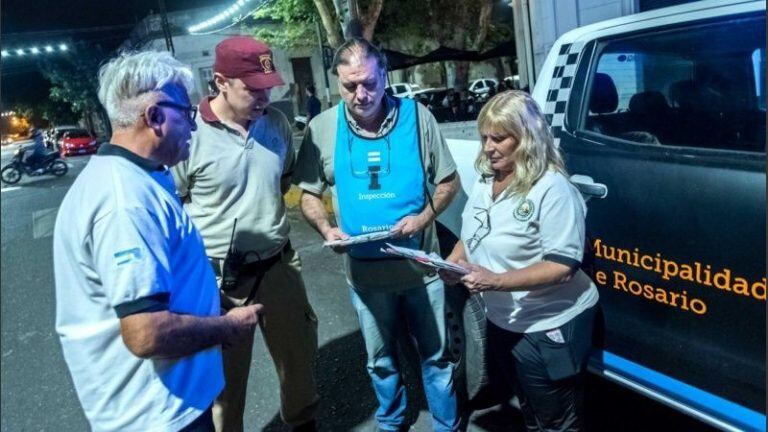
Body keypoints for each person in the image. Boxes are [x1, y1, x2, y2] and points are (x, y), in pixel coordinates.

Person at [53, 51, 263, 432]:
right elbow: (146, 332)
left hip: (168, 408)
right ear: (154, 116)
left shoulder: (140, 176)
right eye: (187, 113)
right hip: (156, 416)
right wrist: (226, 327)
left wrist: (214, 302)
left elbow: (161, 277)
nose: (194, 127)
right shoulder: (124, 202)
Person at [293, 37, 463, 432]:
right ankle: (391, 422)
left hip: (422, 271)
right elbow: (309, 193)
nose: (361, 93)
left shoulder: (418, 118)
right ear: (338, 82)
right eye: (350, 85)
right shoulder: (322, 128)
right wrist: (326, 227)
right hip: (366, 278)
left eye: (369, 82)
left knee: (436, 358)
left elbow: (448, 181)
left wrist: (423, 219)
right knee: (380, 361)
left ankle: (447, 424)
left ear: (385, 75)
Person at [171, 36, 319, 432]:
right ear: (220, 81)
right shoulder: (190, 134)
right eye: (252, 88)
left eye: (268, 87)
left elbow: (282, 179)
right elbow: (174, 203)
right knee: (224, 387)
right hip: (217, 281)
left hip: (278, 267)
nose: (263, 96)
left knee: (299, 367)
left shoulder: (277, 125)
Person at [440, 90, 599, 431]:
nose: (488, 147)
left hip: (546, 326)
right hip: (505, 322)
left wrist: (495, 281)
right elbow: (473, 233)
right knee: (531, 409)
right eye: (484, 137)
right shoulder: (489, 180)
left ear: (526, 138)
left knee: (557, 421)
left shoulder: (552, 189)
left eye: (499, 138)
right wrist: (452, 262)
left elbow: (561, 267)